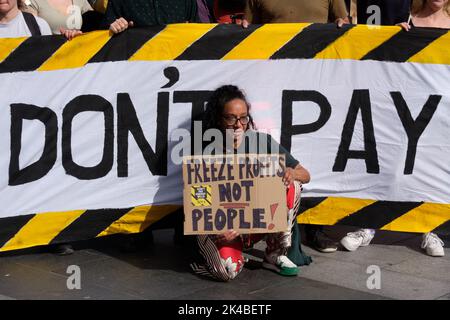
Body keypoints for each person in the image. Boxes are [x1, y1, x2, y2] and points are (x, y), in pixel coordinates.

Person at [341, 0, 449, 257]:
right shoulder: (406, 17)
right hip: (401, 105)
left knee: (429, 168)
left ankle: (429, 228)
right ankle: (369, 225)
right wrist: (391, 36)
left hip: (440, 111)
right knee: (386, 165)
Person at [243, 0, 350, 254]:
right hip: (271, 82)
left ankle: (315, 227)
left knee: (316, 148)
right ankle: (270, 229)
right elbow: (249, 33)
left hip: (315, 82)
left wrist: (345, 28)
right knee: (279, 143)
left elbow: (343, 24)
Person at [189, 85, 311, 281]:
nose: (238, 124)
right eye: (231, 118)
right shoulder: (205, 152)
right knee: (226, 272)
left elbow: (305, 174)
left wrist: (291, 172)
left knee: (292, 184)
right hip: (223, 230)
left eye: (243, 117)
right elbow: (199, 202)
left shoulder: (263, 142)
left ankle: (275, 253)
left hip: (252, 226)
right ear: (218, 119)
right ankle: (207, 261)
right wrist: (216, 228)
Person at [105, 0, 198, 34]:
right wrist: (114, 27)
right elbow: (102, 35)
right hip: (138, 68)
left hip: (178, 68)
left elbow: (199, 32)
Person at [24, 0, 93, 39]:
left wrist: (79, 35)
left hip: (78, 51)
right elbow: (32, 35)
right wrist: (63, 38)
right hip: (49, 55)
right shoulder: (30, 2)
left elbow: (94, 23)